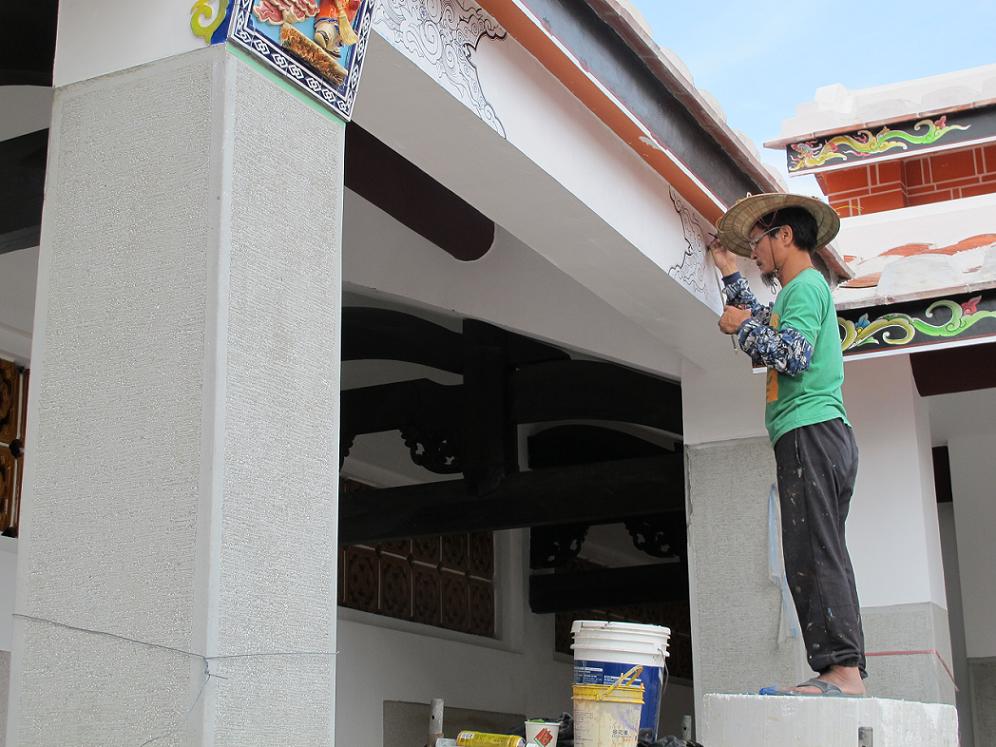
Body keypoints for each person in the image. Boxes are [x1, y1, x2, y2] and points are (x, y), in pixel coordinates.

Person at [708, 193, 866, 697]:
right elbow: (761, 319)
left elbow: (789, 356)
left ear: (784, 237)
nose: (755, 254)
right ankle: (841, 671)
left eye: (757, 243)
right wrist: (729, 274)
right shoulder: (800, 293)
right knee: (817, 549)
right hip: (820, 433)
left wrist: (741, 325)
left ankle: (842, 672)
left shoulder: (805, 287)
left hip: (809, 431)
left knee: (813, 550)